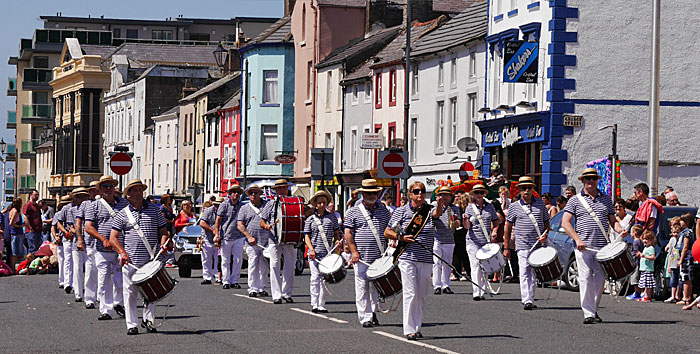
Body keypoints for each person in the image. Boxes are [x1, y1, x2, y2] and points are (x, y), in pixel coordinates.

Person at [562, 168, 627, 324]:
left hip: (602, 248)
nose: (591, 181)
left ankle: (593, 309)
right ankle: (588, 313)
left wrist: (620, 230)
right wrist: (577, 239)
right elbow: (565, 222)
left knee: (599, 280)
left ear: (597, 180)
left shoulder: (606, 199)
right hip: (583, 247)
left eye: (593, 178)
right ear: (583, 181)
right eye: (588, 178)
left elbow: (613, 221)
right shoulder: (575, 200)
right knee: (584, 278)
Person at [109, 179, 171, 335]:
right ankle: (132, 324)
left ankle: (148, 320)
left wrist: (163, 244)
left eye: (140, 190)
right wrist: (122, 253)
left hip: (150, 258)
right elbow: (113, 237)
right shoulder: (122, 214)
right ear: (128, 195)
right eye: (134, 190)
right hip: (131, 261)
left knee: (151, 292)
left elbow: (164, 232)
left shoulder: (155, 210)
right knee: (130, 293)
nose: (138, 193)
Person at [384, 181, 440, 340]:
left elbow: (438, 215)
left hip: (426, 257)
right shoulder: (401, 211)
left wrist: (442, 202)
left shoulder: (429, 211)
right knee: (411, 292)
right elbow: (387, 231)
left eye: (422, 191)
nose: (420, 194)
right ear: (410, 194)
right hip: (407, 257)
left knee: (421, 294)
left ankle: (417, 326)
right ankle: (409, 329)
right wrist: (400, 237)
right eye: (416, 191)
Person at [344, 179, 391, 327]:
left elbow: (389, 229)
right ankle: (365, 318)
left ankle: (371, 312)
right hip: (361, 256)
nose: (371, 195)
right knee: (362, 287)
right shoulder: (353, 211)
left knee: (375, 287)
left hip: (379, 255)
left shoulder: (384, 210)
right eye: (368, 193)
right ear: (362, 193)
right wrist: (353, 251)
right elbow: (348, 233)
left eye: (374, 193)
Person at [85, 175, 128, 321]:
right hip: (102, 249)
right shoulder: (94, 206)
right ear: (100, 189)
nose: (108, 189)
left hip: (121, 247)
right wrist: (103, 239)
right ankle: (106, 310)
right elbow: (88, 227)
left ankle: (119, 303)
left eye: (110, 186)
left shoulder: (124, 203)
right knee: (103, 280)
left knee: (121, 279)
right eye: (105, 186)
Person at [503, 177, 549, 310]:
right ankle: (526, 299)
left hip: (537, 244)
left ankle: (531, 297)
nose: (526, 191)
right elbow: (508, 227)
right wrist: (506, 247)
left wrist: (545, 235)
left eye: (529, 188)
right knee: (524, 271)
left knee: (533, 272)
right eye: (524, 188)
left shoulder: (540, 204)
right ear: (520, 191)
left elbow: (547, 223)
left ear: (533, 189)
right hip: (522, 244)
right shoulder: (514, 206)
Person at [260, 179, 298, 303]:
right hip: (274, 238)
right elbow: (262, 221)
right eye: (279, 189)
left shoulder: (295, 202)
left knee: (290, 266)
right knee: (275, 265)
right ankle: (276, 295)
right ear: (275, 191)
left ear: (287, 189)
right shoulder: (270, 204)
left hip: (290, 237)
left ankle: (287, 293)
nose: (281, 191)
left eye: (283, 188)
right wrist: (266, 226)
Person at [304, 190, 340, 313]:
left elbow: (336, 233)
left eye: (324, 202)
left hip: (327, 252)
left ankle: (321, 304)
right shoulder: (310, 219)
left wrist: (337, 242)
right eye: (319, 203)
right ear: (315, 204)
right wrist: (311, 249)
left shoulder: (332, 217)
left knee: (325, 279)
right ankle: (314, 303)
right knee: (315, 278)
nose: (321, 205)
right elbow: (306, 236)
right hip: (314, 252)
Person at [464, 184, 500, 301]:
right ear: (473, 195)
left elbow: (496, 221)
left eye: (481, 192)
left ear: (484, 194)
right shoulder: (469, 208)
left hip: (486, 240)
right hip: (473, 241)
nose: (478, 195)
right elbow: (467, 226)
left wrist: (494, 231)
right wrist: (465, 220)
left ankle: (482, 290)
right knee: (475, 266)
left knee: (484, 267)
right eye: (476, 193)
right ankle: (476, 292)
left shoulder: (490, 207)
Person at [57, 187, 90, 302]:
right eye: (80, 196)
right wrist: (69, 232)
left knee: (90, 268)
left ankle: (89, 291)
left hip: (90, 241)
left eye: (84, 196)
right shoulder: (70, 209)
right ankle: (77, 291)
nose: (82, 199)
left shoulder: (91, 207)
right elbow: (71, 226)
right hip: (76, 241)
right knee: (75, 265)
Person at [237, 185, 271, 295]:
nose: (253, 195)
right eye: (251, 193)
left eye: (255, 193)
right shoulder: (245, 208)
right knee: (252, 264)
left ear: (259, 194)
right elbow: (240, 224)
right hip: (252, 241)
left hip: (266, 240)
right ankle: (252, 288)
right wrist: (248, 236)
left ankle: (261, 287)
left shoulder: (267, 206)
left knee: (264, 265)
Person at [215, 184, 245, 290]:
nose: (236, 194)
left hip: (239, 236)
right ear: (230, 194)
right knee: (225, 260)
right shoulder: (224, 205)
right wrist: (217, 234)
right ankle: (226, 280)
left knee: (238, 259)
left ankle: (234, 280)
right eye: (234, 192)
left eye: (237, 192)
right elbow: (218, 220)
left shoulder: (242, 206)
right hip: (226, 236)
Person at [432, 186, 460, 295]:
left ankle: (446, 285)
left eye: (446, 195)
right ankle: (437, 285)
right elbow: (434, 216)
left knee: (447, 264)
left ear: (450, 197)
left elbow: (458, 224)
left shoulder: (454, 208)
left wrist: (456, 220)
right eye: (442, 195)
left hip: (449, 239)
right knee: (436, 263)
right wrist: (439, 205)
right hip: (437, 238)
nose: (444, 197)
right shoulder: (434, 206)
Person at [75, 181, 99, 309]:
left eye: (96, 190)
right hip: (90, 241)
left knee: (103, 271)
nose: (95, 193)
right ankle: (89, 298)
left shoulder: (106, 203)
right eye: (92, 190)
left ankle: (101, 295)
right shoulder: (85, 205)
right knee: (90, 270)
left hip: (104, 242)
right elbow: (78, 223)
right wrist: (80, 239)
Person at [200, 197, 223, 285]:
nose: (217, 207)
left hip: (219, 239)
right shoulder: (208, 211)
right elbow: (202, 223)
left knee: (218, 258)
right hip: (207, 237)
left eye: (219, 205)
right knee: (206, 258)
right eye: (216, 205)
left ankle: (218, 277)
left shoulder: (225, 212)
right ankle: (207, 277)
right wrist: (212, 230)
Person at [52, 196, 71, 287]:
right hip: (61, 238)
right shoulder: (58, 214)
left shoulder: (72, 211)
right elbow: (53, 226)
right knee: (62, 260)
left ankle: (68, 281)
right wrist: (55, 236)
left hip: (69, 239)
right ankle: (62, 280)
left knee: (68, 260)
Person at [676, 213, 695, 305]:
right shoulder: (684, 232)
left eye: (682, 220)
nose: (680, 222)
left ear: (687, 222)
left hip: (687, 258)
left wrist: (681, 259)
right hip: (685, 258)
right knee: (684, 277)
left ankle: (686, 298)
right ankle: (686, 296)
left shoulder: (688, 232)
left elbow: (685, 247)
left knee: (686, 278)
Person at [452, 192, 469, 282]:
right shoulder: (465, 209)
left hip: (459, 233)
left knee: (458, 254)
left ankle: (458, 273)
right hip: (462, 233)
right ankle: (466, 272)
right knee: (463, 255)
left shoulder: (458, 209)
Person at [664, 218, 682, 303]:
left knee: (679, 279)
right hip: (674, 262)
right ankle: (672, 295)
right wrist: (669, 266)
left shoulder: (681, 240)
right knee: (673, 279)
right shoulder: (672, 240)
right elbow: (671, 253)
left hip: (679, 262)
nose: (675, 234)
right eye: (674, 232)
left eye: (677, 232)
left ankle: (677, 295)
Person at [636, 230, 656, 302]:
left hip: (648, 269)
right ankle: (644, 295)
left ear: (651, 240)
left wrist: (645, 256)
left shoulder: (651, 248)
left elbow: (653, 257)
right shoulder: (645, 248)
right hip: (644, 268)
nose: (645, 241)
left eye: (647, 239)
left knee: (648, 284)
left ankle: (648, 296)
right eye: (644, 239)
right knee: (644, 283)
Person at [625, 225, 644, 300]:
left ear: (635, 233)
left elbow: (636, 252)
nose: (630, 234)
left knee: (635, 278)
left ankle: (637, 293)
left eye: (631, 233)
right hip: (639, 262)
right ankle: (640, 292)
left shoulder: (636, 242)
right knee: (639, 278)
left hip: (635, 262)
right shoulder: (640, 241)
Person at [8, 198, 25, 273]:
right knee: (15, 252)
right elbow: (11, 223)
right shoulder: (15, 211)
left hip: (15, 233)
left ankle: (13, 268)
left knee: (15, 252)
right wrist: (19, 226)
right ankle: (13, 268)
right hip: (16, 233)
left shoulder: (12, 210)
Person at [22, 189, 42, 254]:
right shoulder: (28, 205)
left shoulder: (37, 206)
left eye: (38, 195)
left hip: (38, 230)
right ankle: (30, 262)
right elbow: (25, 217)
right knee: (32, 248)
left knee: (37, 248)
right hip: (31, 231)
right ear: (31, 195)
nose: (37, 196)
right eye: (35, 195)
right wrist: (30, 228)